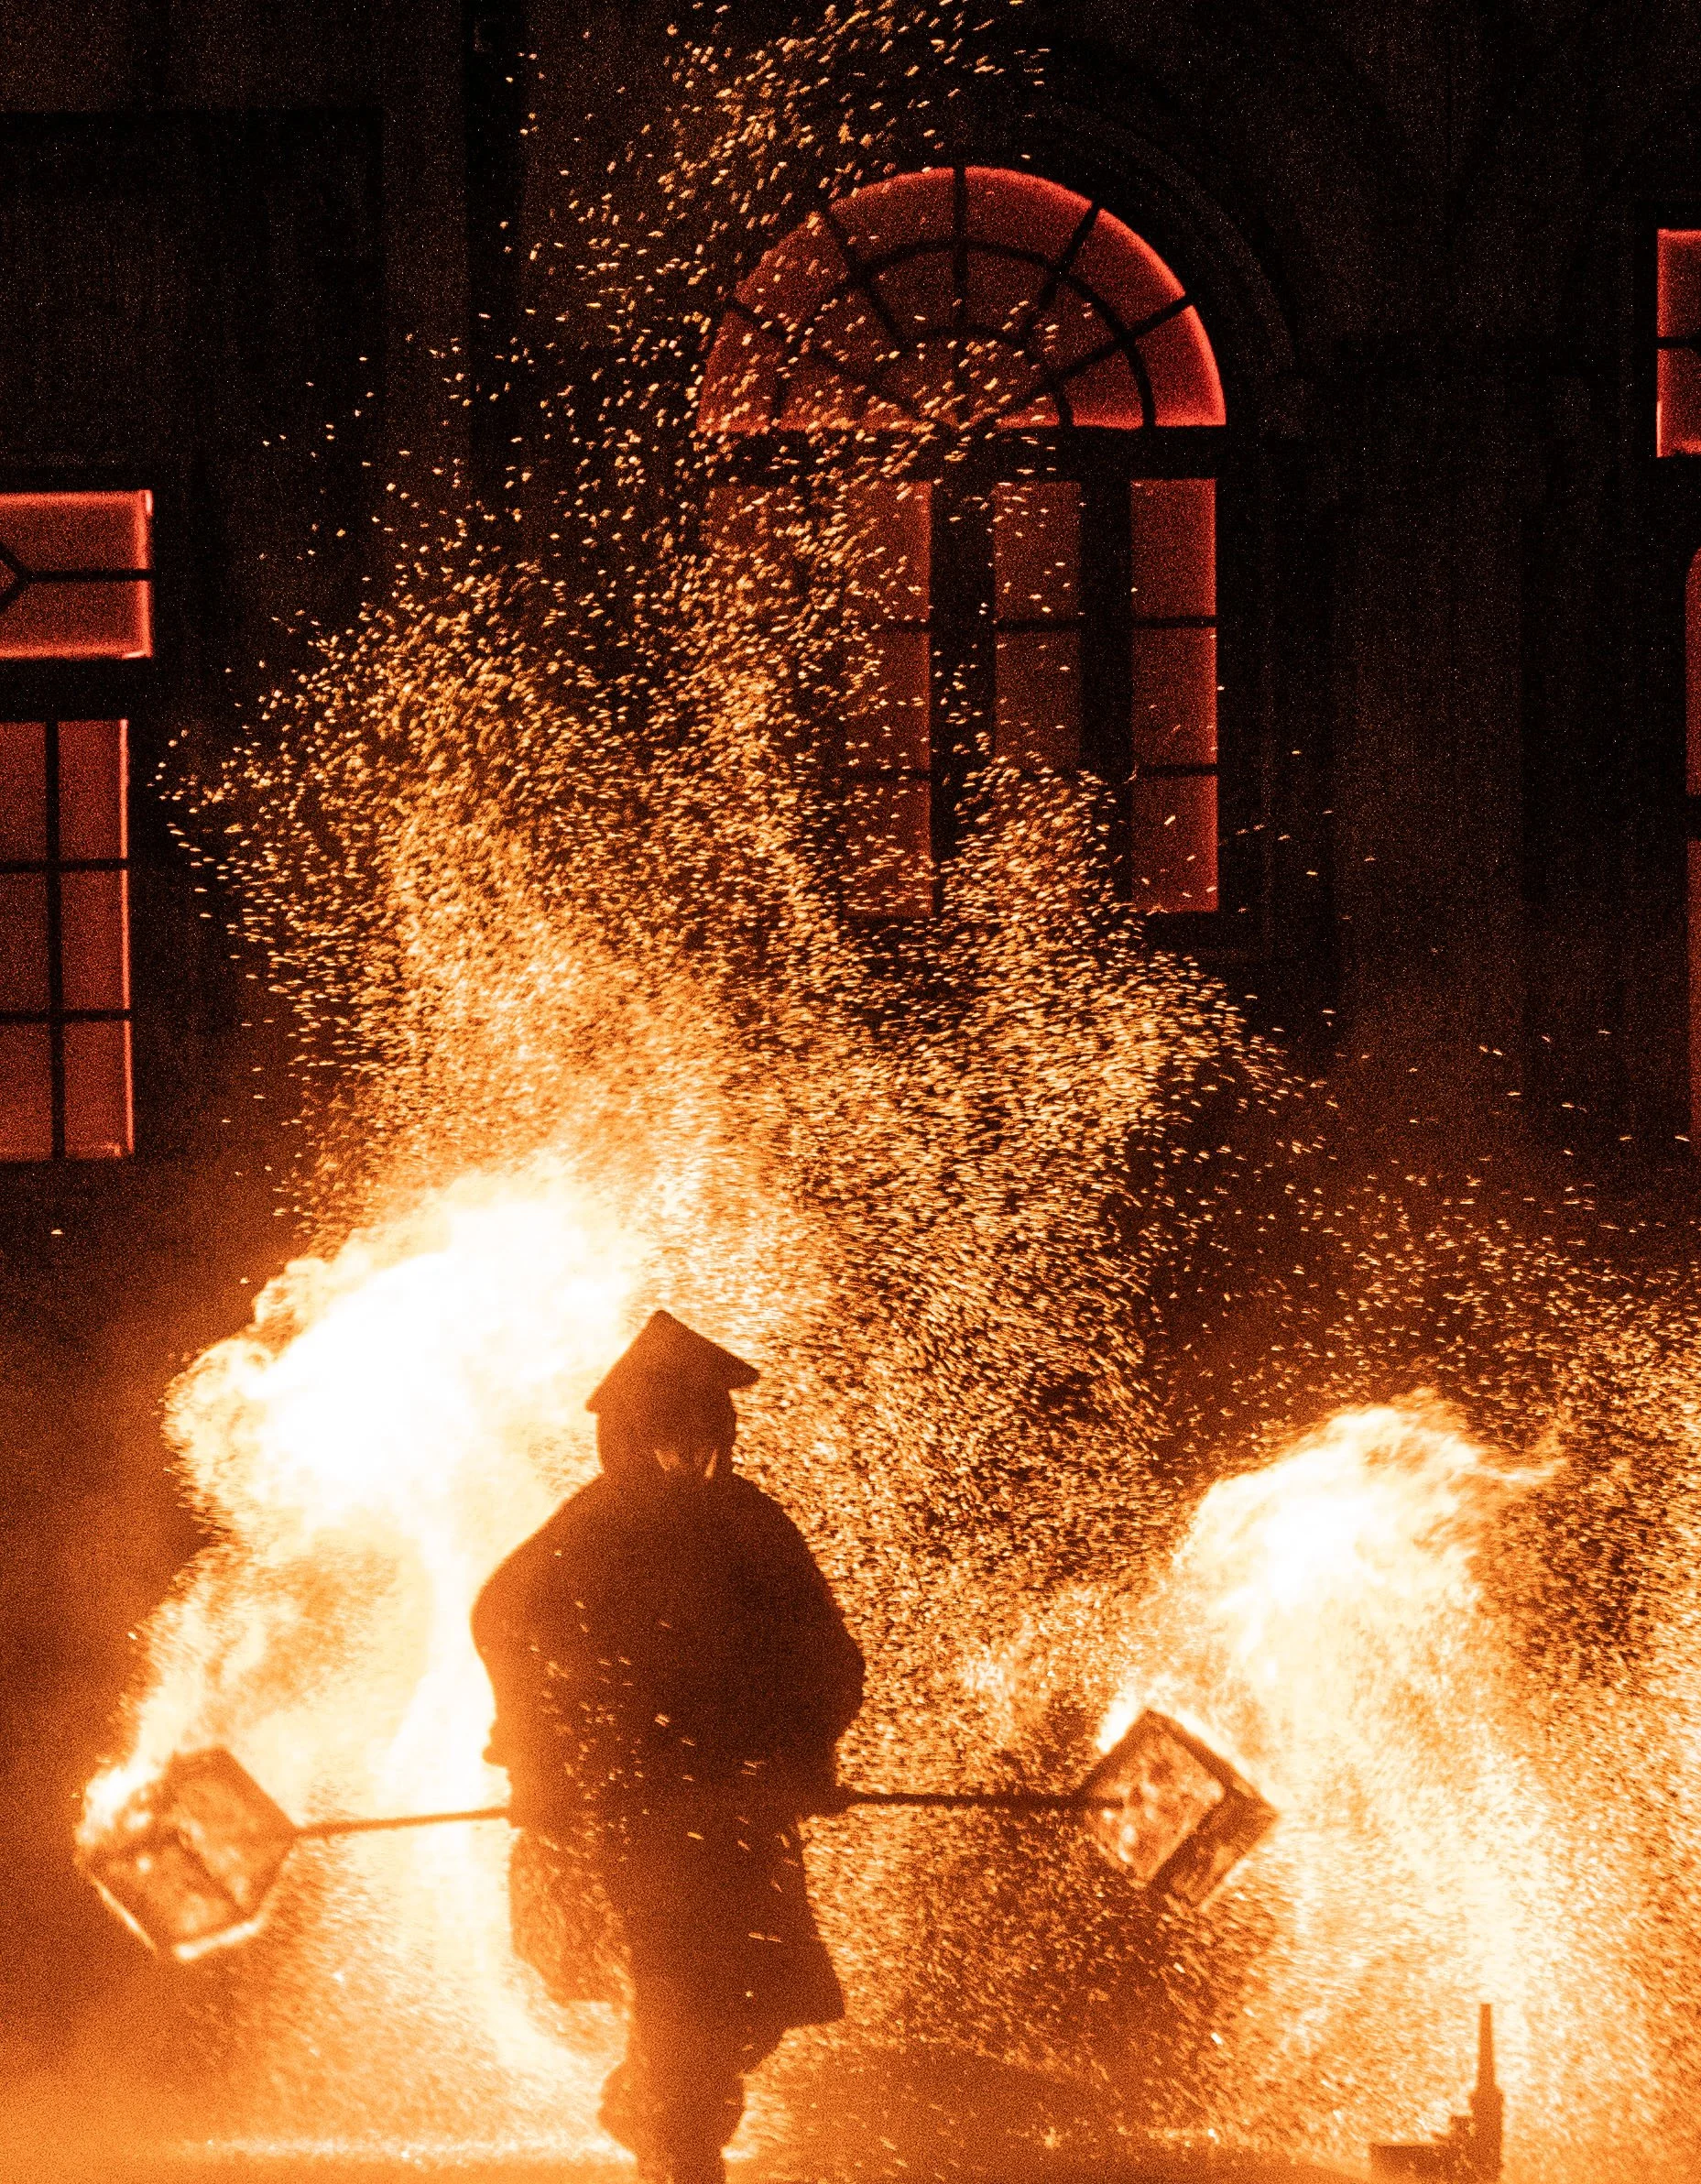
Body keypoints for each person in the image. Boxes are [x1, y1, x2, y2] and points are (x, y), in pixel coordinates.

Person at [472, 1309, 865, 2184]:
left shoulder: (749, 1523)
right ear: (630, 1434)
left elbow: (827, 1654)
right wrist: (540, 1759)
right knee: (683, 1996)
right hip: (636, 1814)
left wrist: (808, 1754)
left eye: (704, 1428)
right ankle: (679, 2150)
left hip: (738, 1811)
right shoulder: (593, 1527)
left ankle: (652, 2109)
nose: (689, 1446)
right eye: (669, 1429)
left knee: (746, 2011)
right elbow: (501, 1620)